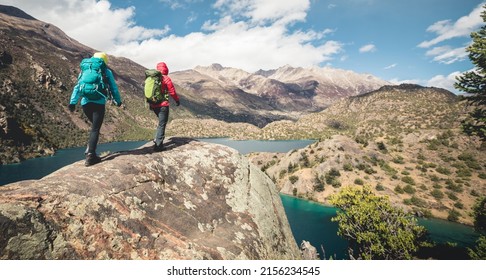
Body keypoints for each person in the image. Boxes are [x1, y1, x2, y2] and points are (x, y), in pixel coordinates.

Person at [68, 52, 122, 166]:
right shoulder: (106, 71)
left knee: (94, 128)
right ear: (104, 61)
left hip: (85, 104)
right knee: (95, 129)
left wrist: (72, 102)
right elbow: (113, 87)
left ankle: (89, 149)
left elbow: (78, 86)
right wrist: (118, 101)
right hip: (98, 103)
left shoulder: (84, 70)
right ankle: (91, 156)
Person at [150, 62, 180, 152]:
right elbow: (172, 91)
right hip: (163, 105)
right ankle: (158, 146)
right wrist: (177, 100)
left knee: (160, 123)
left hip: (153, 105)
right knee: (162, 124)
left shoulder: (152, 78)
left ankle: (157, 140)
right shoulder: (166, 78)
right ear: (166, 69)